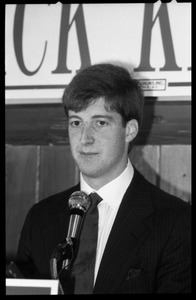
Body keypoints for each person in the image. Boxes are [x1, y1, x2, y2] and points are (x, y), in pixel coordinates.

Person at [16, 63, 191, 294]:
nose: (85, 138)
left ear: (130, 130)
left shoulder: (176, 222)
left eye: (100, 123)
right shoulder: (40, 218)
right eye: (76, 122)